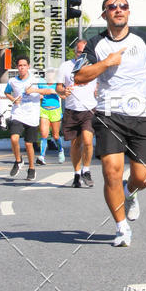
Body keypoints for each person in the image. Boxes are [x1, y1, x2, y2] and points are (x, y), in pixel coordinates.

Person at [74, 0, 146, 247]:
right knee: (111, 171)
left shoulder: (144, 40)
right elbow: (79, 76)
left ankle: (130, 192)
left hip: (143, 115)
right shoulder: (94, 45)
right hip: (109, 115)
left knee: (143, 177)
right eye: (112, 7)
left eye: (123, 6)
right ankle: (121, 228)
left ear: (128, 12)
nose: (118, 9)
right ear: (104, 14)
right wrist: (107, 62)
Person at [5, 56, 55, 181]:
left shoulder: (36, 79)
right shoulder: (12, 81)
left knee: (28, 144)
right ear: (17, 67)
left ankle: (31, 168)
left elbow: (49, 90)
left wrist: (34, 90)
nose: (22, 68)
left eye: (24, 65)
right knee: (14, 138)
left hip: (31, 115)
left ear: (28, 66)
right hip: (18, 113)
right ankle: (18, 160)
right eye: (19, 65)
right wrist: (13, 99)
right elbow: (7, 92)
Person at [56, 39, 97, 188]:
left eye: (85, 52)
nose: (82, 55)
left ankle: (86, 170)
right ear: (75, 52)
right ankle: (77, 173)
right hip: (72, 110)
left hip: (89, 109)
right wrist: (63, 91)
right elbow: (58, 88)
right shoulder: (66, 66)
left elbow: (100, 84)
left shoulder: (94, 66)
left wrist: (98, 90)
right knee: (75, 144)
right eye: (79, 52)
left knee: (87, 140)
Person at [37, 69, 65, 165]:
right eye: (48, 74)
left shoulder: (57, 84)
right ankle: (42, 156)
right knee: (44, 134)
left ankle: (60, 150)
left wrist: (55, 92)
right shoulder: (41, 83)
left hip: (55, 110)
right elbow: (36, 91)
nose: (50, 76)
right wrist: (39, 95)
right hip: (44, 110)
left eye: (52, 74)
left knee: (55, 135)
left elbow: (64, 96)